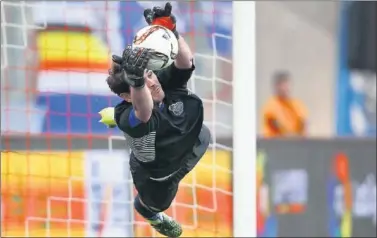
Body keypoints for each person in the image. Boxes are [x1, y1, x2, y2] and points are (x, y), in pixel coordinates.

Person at [104, 3, 211, 237]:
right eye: (142, 81)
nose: (152, 82)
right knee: (156, 205)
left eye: (150, 75)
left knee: (204, 135)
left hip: (187, 140)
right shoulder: (128, 114)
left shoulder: (161, 81)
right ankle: (146, 210)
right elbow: (143, 112)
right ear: (126, 96)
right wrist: (137, 82)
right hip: (157, 178)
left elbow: (186, 63)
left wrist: (171, 30)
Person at [262, 71, 308, 137]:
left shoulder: (297, 104)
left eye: (287, 84)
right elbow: (278, 127)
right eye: (282, 85)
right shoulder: (270, 105)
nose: (286, 88)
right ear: (276, 87)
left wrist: (302, 138)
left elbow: (304, 123)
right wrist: (294, 138)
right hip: (276, 143)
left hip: (296, 142)